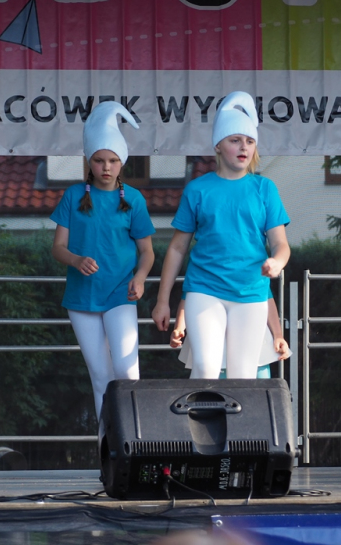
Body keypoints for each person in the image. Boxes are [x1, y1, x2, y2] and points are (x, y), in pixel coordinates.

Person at [152, 91, 290, 379]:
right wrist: (163, 300)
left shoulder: (265, 188)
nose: (244, 147)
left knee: (243, 375)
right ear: (218, 145)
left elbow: (281, 244)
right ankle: (202, 410)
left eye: (249, 141)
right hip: (204, 288)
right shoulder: (197, 189)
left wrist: (277, 262)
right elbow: (177, 248)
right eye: (235, 140)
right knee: (206, 367)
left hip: (251, 291)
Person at [51, 101, 155, 426]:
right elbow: (58, 248)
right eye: (99, 160)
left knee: (127, 371)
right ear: (89, 161)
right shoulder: (72, 196)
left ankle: (134, 438)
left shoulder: (134, 199)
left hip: (120, 294)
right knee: (100, 376)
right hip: (81, 299)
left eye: (112, 160)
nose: (106, 167)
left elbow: (148, 252)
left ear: (122, 162)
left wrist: (140, 278)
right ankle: (107, 445)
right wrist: (76, 259)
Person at [171, 295, 291, 378]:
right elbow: (189, 298)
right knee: (209, 376)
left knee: (258, 384)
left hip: (253, 336)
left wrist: (278, 335)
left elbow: (267, 297)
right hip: (214, 336)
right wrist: (179, 327)